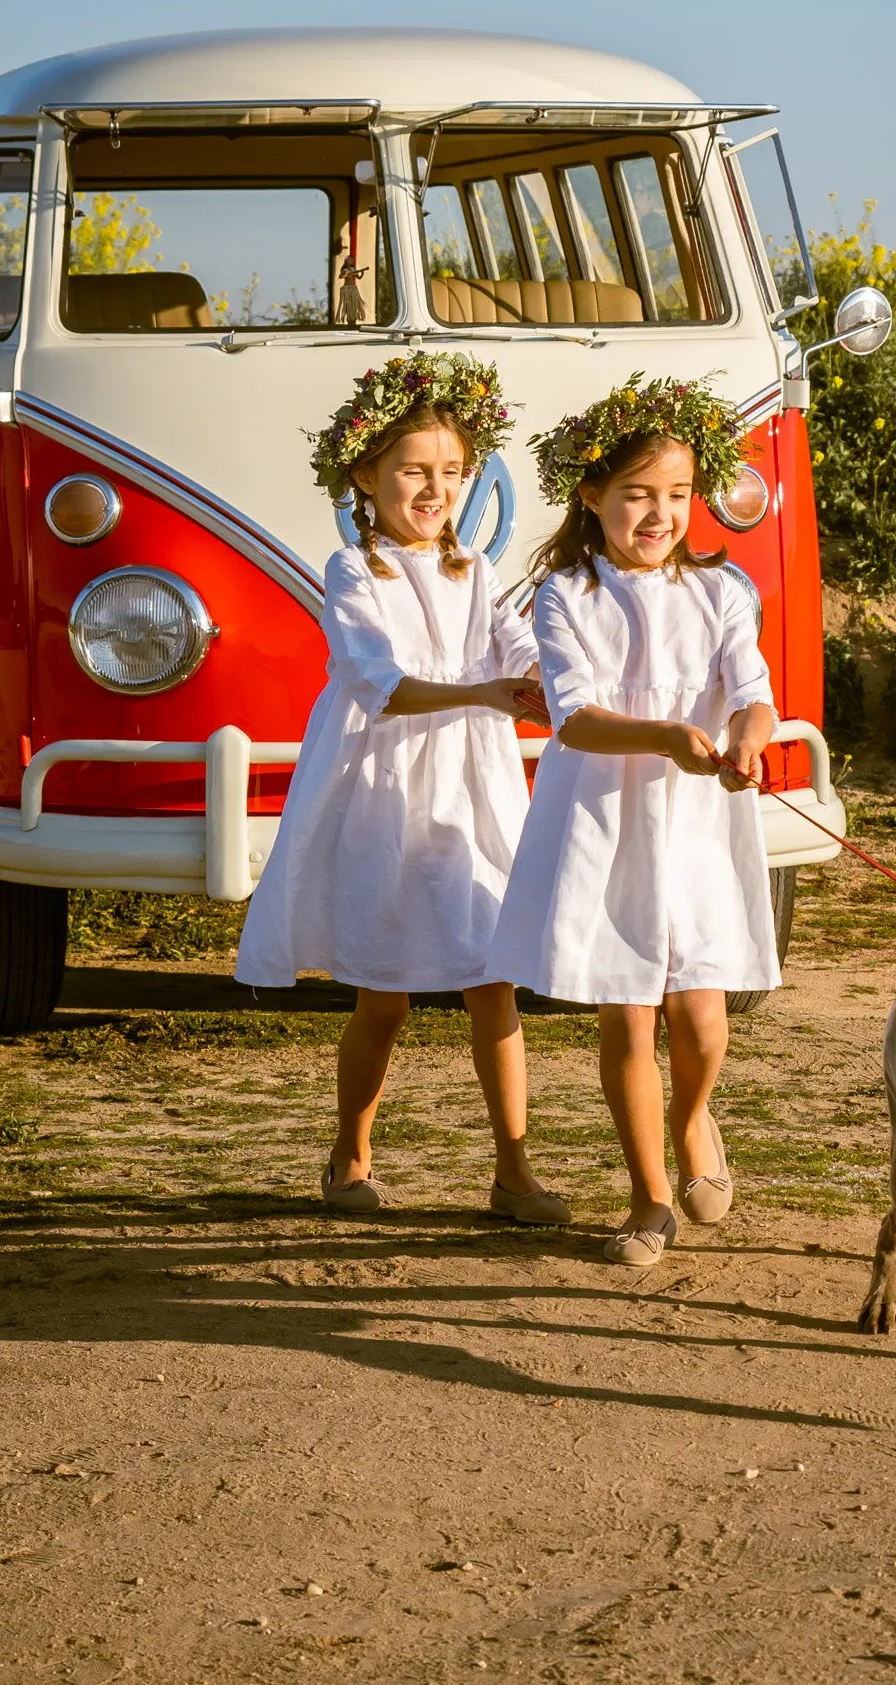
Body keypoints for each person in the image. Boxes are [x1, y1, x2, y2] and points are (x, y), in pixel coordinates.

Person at [235, 352, 569, 1226]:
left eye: (451, 473)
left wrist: (548, 681)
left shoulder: (476, 570)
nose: (434, 489)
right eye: (414, 471)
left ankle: (514, 1169)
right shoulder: (356, 571)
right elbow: (376, 682)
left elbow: (514, 647)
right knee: (384, 992)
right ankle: (349, 1152)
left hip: (473, 788)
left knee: (492, 980)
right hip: (387, 788)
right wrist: (485, 695)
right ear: (365, 474)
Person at [484, 376, 778, 1265]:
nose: (659, 514)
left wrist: (746, 741)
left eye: (678, 495)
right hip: (607, 817)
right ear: (592, 496)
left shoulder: (722, 591)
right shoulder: (567, 594)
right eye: (638, 495)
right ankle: (650, 1197)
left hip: (698, 820)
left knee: (703, 1020)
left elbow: (756, 694)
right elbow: (571, 716)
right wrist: (665, 737)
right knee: (630, 1017)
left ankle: (694, 1120)